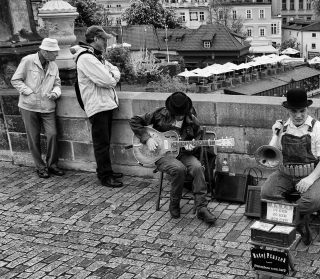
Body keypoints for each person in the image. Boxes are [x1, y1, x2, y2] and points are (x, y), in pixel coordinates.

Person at [129, 92, 217, 224]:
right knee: (178, 169)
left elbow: (197, 140)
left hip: (182, 153)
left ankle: (202, 208)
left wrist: (192, 147)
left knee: (198, 167)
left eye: (182, 113)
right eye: (177, 112)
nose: (180, 115)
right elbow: (134, 121)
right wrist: (147, 139)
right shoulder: (160, 113)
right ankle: (174, 204)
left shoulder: (192, 120)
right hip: (162, 155)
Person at [260, 88, 320, 246]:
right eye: (294, 111)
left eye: (302, 111)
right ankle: (299, 222)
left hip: (311, 174)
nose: (299, 115)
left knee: (314, 201)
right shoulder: (282, 128)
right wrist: (275, 134)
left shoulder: (318, 129)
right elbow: (273, 153)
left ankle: (291, 220)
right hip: (285, 173)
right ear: (288, 110)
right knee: (266, 193)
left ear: (307, 109)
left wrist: (310, 179)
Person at [71, 26, 123, 188]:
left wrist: (111, 74)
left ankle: (106, 170)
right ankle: (105, 175)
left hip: (104, 104)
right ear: (95, 39)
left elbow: (113, 71)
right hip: (98, 105)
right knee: (101, 143)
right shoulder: (87, 58)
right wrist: (112, 76)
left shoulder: (95, 56)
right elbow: (108, 80)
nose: (106, 42)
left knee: (105, 142)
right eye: (103, 39)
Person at [11, 38, 64, 178]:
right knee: (33, 138)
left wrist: (55, 92)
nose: (57, 55)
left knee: (52, 134)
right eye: (55, 52)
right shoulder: (28, 60)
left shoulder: (54, 65)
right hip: (29, 106)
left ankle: (52, 165)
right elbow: (15, 80)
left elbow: (57, 83)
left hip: (48, 106)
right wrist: (28, 92)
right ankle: (40, 167)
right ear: (46, 52)